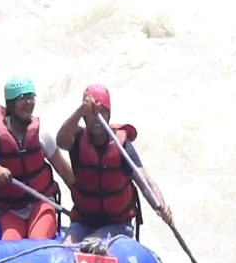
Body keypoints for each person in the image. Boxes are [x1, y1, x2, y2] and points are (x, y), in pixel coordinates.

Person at [56, 83, 172, 245]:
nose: (97, 118)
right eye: (92, 114)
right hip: (84, 222)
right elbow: (61, 142)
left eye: (102, 112)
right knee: (66, 247)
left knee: (90, 243)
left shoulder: (122, 146)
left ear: (108, 115)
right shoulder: (76, 139)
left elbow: (145, 181)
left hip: (117, 225)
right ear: (84, 117)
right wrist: (80, 111)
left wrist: (160, 207)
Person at [0, 75, 74, 240]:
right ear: (11, 103)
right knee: (11, 243)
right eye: (23, 98)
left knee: (38, 239)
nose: (29, 103)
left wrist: (84, 207)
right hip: (11, 209)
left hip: (41, 203)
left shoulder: (41, 134)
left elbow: (66, 173)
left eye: (31, 98)